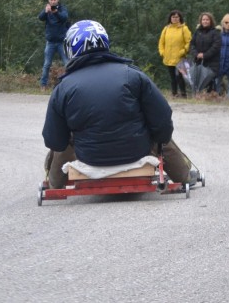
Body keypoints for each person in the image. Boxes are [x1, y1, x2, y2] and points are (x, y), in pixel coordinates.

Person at [42, 20, 196, 189]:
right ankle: (184, 177)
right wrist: (158, 137)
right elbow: (163, 120)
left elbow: (53, 140)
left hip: (89, 156)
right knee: (160, 133)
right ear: (104, 42)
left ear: (71, 47)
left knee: (63, 141)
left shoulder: (63, 87)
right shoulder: (133, 75)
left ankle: (55, 184)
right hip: (135, 151)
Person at [38, 0, 70, 90]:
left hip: (61, 42)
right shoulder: (47, 9)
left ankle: (69, 84)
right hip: (50, 42)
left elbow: (64, 18)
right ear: (49, 0)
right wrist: (45, 11)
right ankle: (43, 85)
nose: (53, 1)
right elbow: (40, 18)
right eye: (51, 0)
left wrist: (56, 13)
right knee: (47, 64)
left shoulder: (62, 8)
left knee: (67, 63)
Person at [158, 10, 192, 98]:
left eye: (177, 17)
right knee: (172, 78)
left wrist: (183, 51)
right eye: (173, 17)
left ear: (180, 18)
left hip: (179, 58)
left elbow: (189, 42)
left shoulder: (184, 28)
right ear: (170, 18)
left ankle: (183, 94)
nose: (175, 19)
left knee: (180, 77)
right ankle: (174, 93)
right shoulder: (166, 29)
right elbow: (161, 42)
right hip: (168, 57)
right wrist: (162, 52)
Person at [189, 12, 221, 93]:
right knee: (198, 82)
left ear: (211, 21)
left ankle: (211, 97)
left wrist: (205, 55)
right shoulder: (197, 32)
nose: (205, 21)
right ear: (201, 21)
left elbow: (216, 47)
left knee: (209, 82)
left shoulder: (215, 32)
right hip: (198, 61)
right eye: (203, 20)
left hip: (212, 62)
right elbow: (192, 45)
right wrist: (196, 54)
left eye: (207, 20)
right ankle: (198, 97)